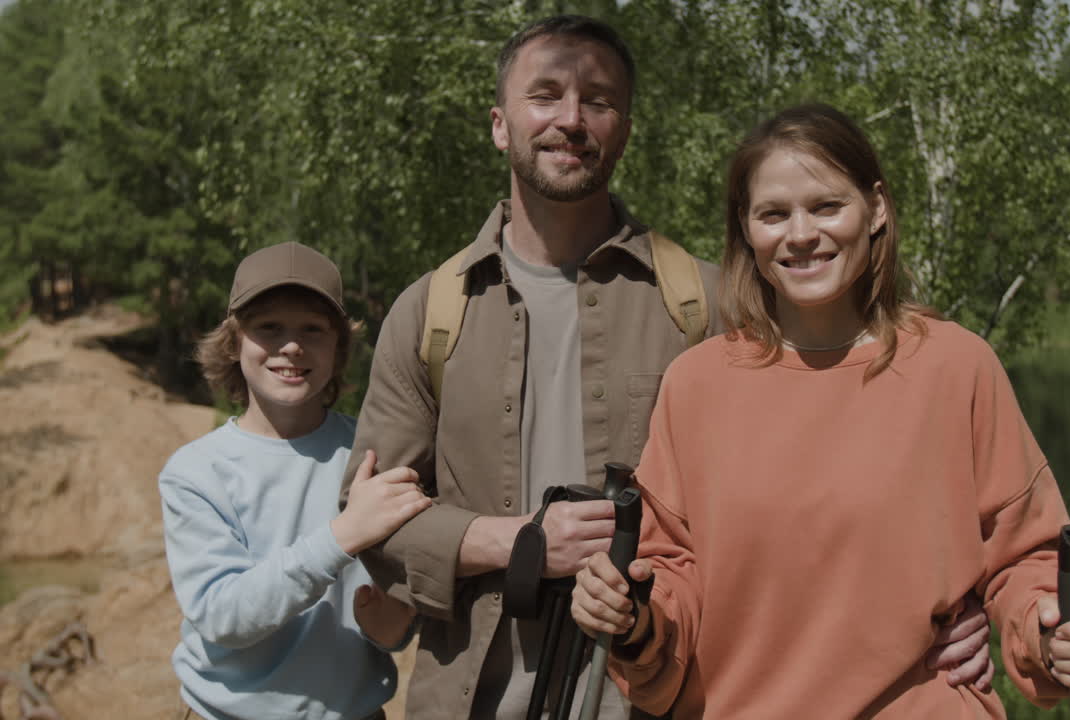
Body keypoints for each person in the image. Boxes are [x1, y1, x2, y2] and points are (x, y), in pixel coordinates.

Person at [343, 16, 994, 720]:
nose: (571, 119)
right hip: (470, 699)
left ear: (625, 130)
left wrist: (961, 599)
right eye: (545, 95)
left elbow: (853, 481)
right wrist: (519, 541)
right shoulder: (430, 314)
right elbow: (369, 525)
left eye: (598, 100)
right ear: (500, 125)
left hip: (657, 699)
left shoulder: (712, 305)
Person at [570, 103, 1070, 718]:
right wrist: (631, 615)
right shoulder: (696, 384)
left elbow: (1024, 557)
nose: (801, 234)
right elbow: (668, 574)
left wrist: (1051, 633)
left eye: (826, 206)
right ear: (746, 228)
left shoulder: (957, 366)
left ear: (876, 208)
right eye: (774, 214)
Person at [159, 241, 432, 720]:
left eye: (312, 329)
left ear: (338, 347)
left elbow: (396, 609)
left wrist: (395, 625)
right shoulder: (196, 472)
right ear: (234, 342)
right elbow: (223, 616)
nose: (291, 345)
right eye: (269, 327)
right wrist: (341, 536)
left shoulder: (373, 454)